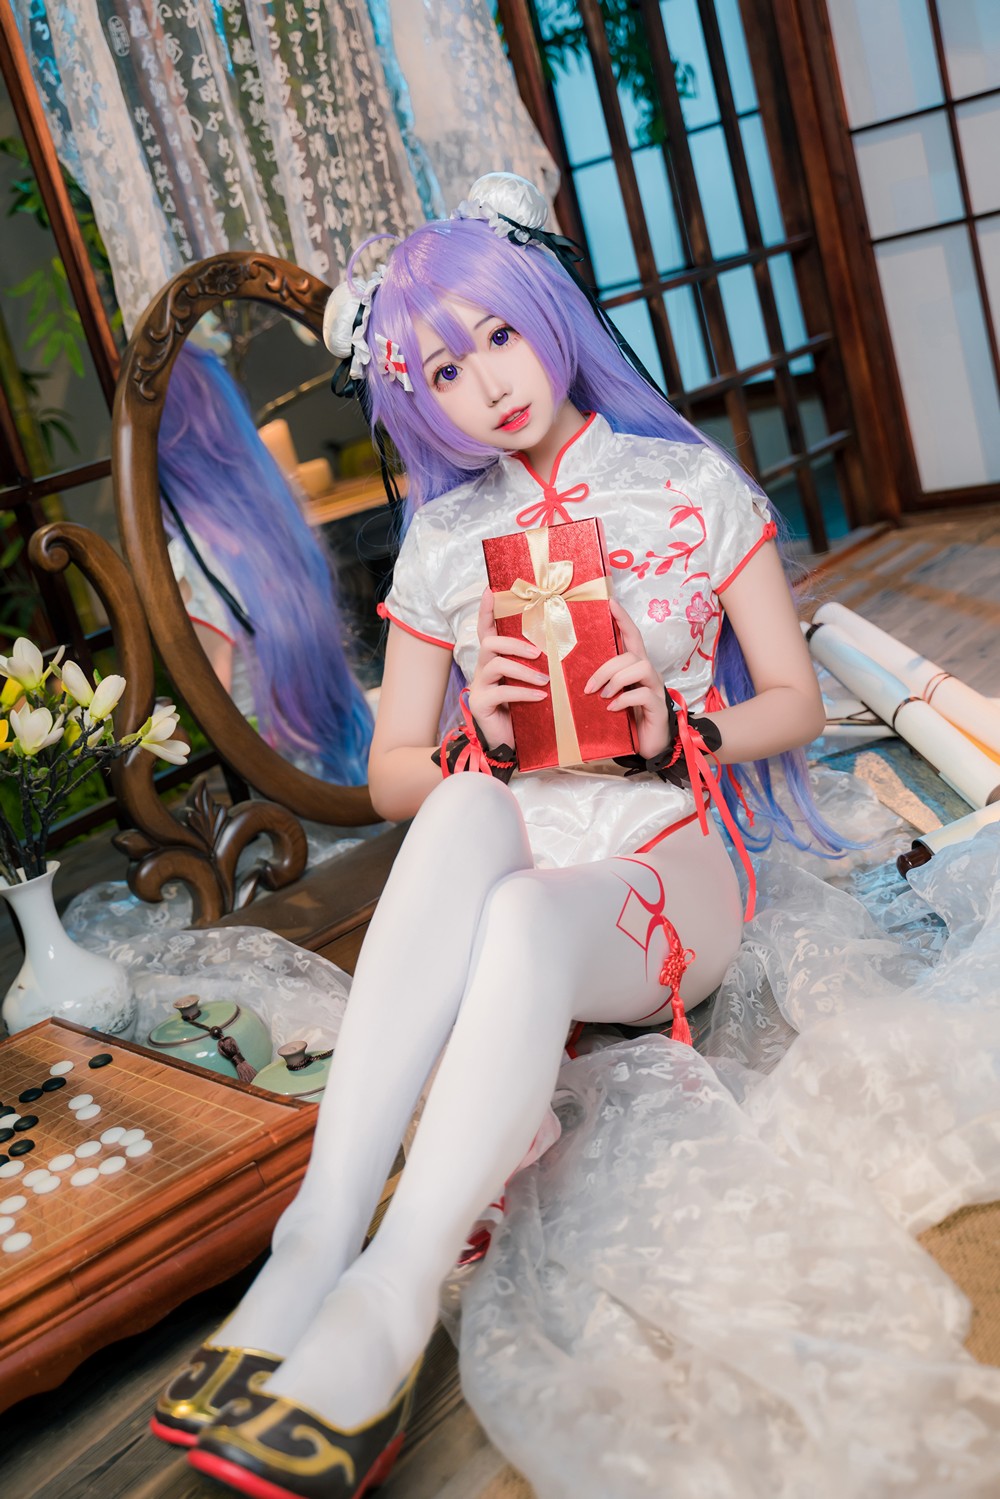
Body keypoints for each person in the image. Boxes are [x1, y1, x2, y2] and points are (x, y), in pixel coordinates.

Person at [152, 175, 837, 1499]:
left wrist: (678, 719)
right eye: (445, 372)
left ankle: (393, 1291)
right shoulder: (446, 537)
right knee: (470, 803)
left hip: (668, 856)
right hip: (518, 838)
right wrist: (490, 739)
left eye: (501, 336)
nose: (488, 387)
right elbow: (394, 774)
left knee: (523, 910)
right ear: (418, 400)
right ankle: (316, 1239)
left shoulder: (689, 487)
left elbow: (794, 700)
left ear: (548, 312)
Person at [157, 343, 374, 785]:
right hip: (337, 763)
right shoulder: (274, 523)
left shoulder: (190, 562)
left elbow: (212, 708)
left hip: (275, 783)